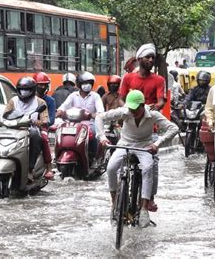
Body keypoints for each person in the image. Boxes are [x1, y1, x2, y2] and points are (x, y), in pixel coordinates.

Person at [96, 90, 178, 227]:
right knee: (110, 168)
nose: (132, 112)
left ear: (142, 105)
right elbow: (99, 117)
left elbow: (173, 128)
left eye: (135, 109)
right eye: (130, 109)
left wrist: (157, 143)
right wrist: (102, 137)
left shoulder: (152, 114)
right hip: (125, 144)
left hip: (144, 146)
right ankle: (114, 204)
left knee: (147, 168)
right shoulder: (125, 111)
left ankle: (144, 208)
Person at [119, 43, 166, 212]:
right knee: (118, 160)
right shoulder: (128, 78)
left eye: (153, 57)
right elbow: (121, 99)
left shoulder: (159, 80)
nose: (151, 60)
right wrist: (127, 111)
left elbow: (161, 100)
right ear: (139, 59)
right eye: (147, 57)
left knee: (153, 163)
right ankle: (118, 195)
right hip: (129, 128)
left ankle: (150, 198)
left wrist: (154, 107)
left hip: (148, 130)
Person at [3, 76, 49, 183]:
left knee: (36, 137)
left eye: (27, 90)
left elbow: (45, 119)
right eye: (22, 90)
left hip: (30, 130)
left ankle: (30, 168)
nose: (24, 92)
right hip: (14, 130)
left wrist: (38, 122)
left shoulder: (40, 102)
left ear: (32, 90)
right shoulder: (13, 101)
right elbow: (5, 115)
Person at [56, 71, 104, 168]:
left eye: (90, 83)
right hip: (74, 124)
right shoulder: (73, 96)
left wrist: (93, 115)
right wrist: (60, 112)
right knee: (61, 132)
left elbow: (100, 112)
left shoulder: (95, 96)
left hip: (90, 124)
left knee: (94, 133)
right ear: (79, 84)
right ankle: (57, 155)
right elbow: (63, 106)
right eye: (85, 83)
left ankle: (94, 158)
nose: (88, 85)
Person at [33, 72, 56, 180]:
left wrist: (42, 122)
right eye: (40, 84)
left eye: (44, 85)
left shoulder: (50, 101)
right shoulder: (28, 98)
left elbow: (51, 119)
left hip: (42, 127)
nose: (42, 87)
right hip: (25, 126)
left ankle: (49, 166)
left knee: (43, 138)